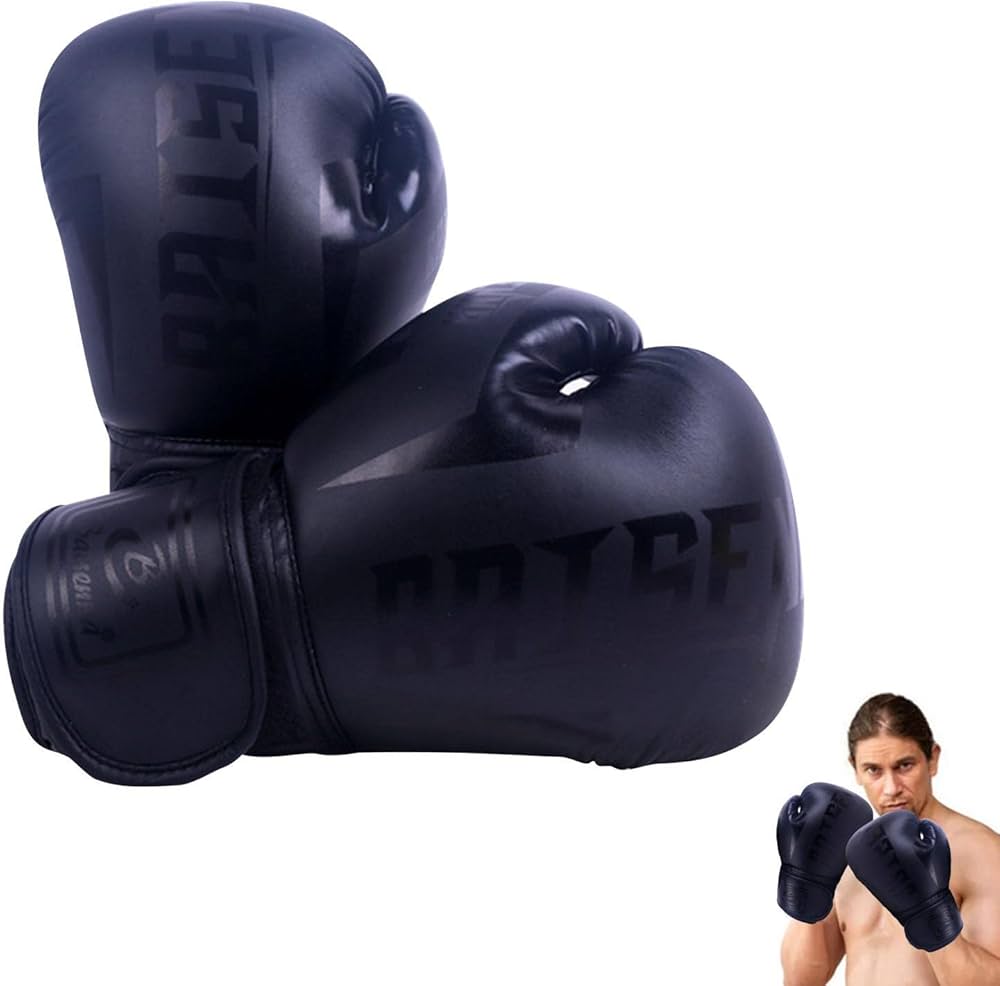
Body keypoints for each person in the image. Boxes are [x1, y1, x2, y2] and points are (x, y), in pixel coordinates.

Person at [780, 693, 1000, 985]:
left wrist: (931, 917)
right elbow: (801, 980)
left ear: (932, 759)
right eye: (873, 770)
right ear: (855, 769)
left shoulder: (981, 852)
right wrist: (807, 885)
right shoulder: (842, 852)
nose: (891, 788)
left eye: (904, 766)